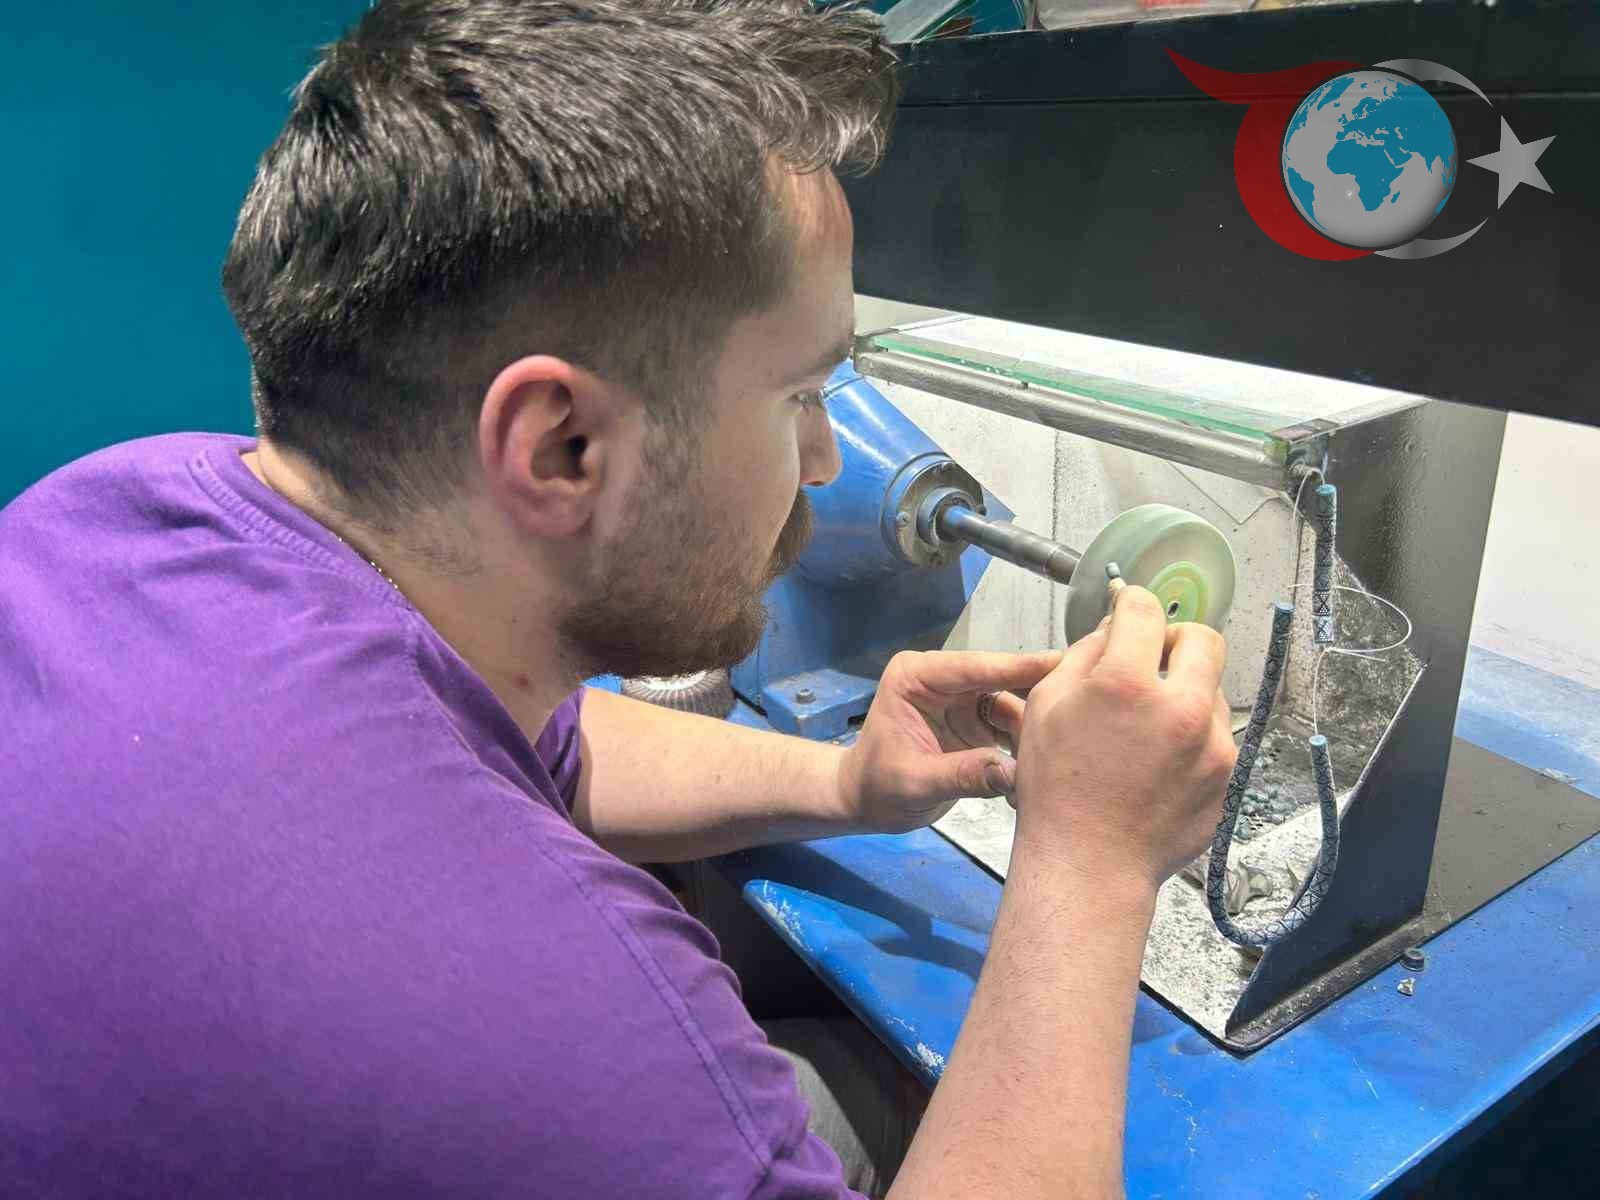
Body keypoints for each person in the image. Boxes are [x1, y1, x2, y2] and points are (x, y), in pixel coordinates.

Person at [0, 1, 1235, 1196]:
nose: (821, 461)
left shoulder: (118, 508)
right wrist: (1091, 859)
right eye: (802, 396)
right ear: (561, 448)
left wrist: (846, 783)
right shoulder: (563, 1035)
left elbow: (520, 735)